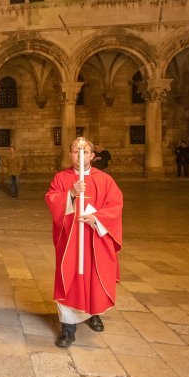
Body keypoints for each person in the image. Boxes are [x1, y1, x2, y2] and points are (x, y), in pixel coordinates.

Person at [45, 137, 123, 348]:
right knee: (69, 279)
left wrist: (97, 218)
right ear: (70, 155)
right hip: (70, 239)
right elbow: (52, 200)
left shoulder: (105, 180)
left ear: (92, 156)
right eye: (75, 151)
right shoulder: (61, 178)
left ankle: (94, 314)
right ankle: (68, 329)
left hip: (96, 238)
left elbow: (115, 205)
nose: (79, 155)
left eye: (85, 151)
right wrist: (70, 193)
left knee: (95, 277)